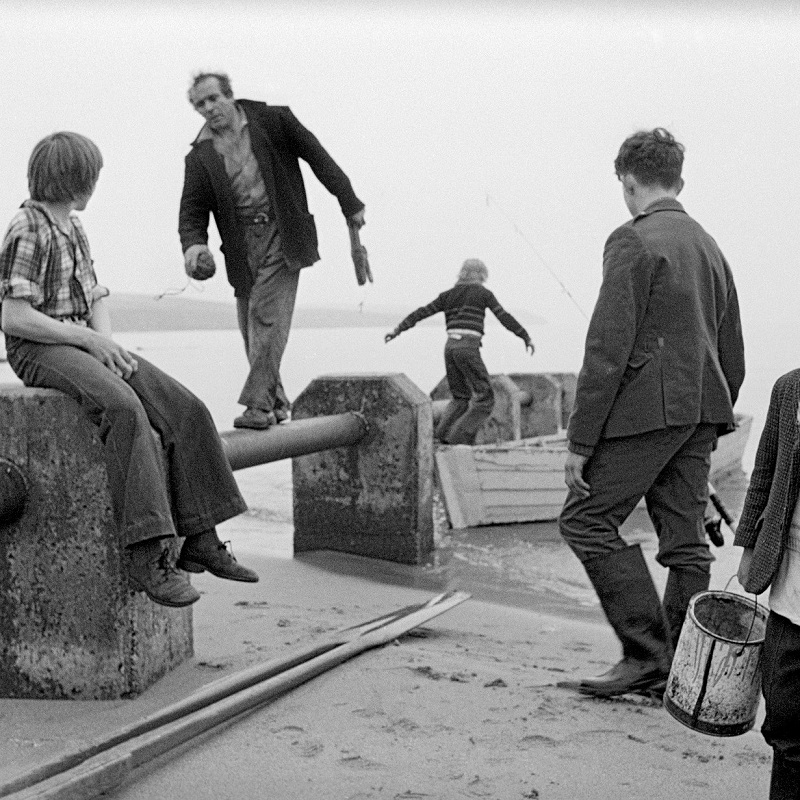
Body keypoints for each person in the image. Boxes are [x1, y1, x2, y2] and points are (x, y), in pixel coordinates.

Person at [0, 131, 259, 609]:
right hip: (38, 347)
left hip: (81, 339)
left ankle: (200, 536)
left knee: (185, 407)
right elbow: (13, 316)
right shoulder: (26, 227)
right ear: (76, 178)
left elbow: (95, 297)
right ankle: (146, 554)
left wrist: (107, 347)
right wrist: (88, 341)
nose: (95, 184)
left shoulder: (73, 228)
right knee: (123, 408)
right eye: (91, 175)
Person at [557, 128, 745, 698]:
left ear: (628, 181)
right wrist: (714, 414)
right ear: (679, 182)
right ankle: (681, 667)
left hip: (647, 412)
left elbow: (608, 348)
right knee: (685, 544)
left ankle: (647, 654)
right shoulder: (710, 245)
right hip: (700, 411)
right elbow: (731, 348)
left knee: (584, 521)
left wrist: (581, 440)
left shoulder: (632, 241)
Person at [179, 71, 366, 430]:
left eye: (214, 98)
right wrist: (194, 247)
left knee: (266, 316)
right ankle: (278, 403)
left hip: (284, 232)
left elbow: (319, 159)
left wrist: (350, 202)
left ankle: (257, 407)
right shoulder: (199, 155)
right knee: (251, 328)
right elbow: (192, 211)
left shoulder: (274, 120)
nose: (209, 108)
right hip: (240, 245)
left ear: (230, 95)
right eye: (200, 104)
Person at [385, 258, 534, 445]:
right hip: (468, 347)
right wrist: (524, 336)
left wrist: (398, 330)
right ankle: (457, 439)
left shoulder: (448, 295)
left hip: (450, 348)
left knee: (460, 398)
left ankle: (440, 436)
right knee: (485, 399)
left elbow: (421, 313)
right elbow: (504, 317)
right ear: (482, 274)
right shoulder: (483, 293)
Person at [736, 370, 800, 800]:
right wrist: (747, 548)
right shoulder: (790, 389)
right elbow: (764, 472)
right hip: (790, 589)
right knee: (784, 720)